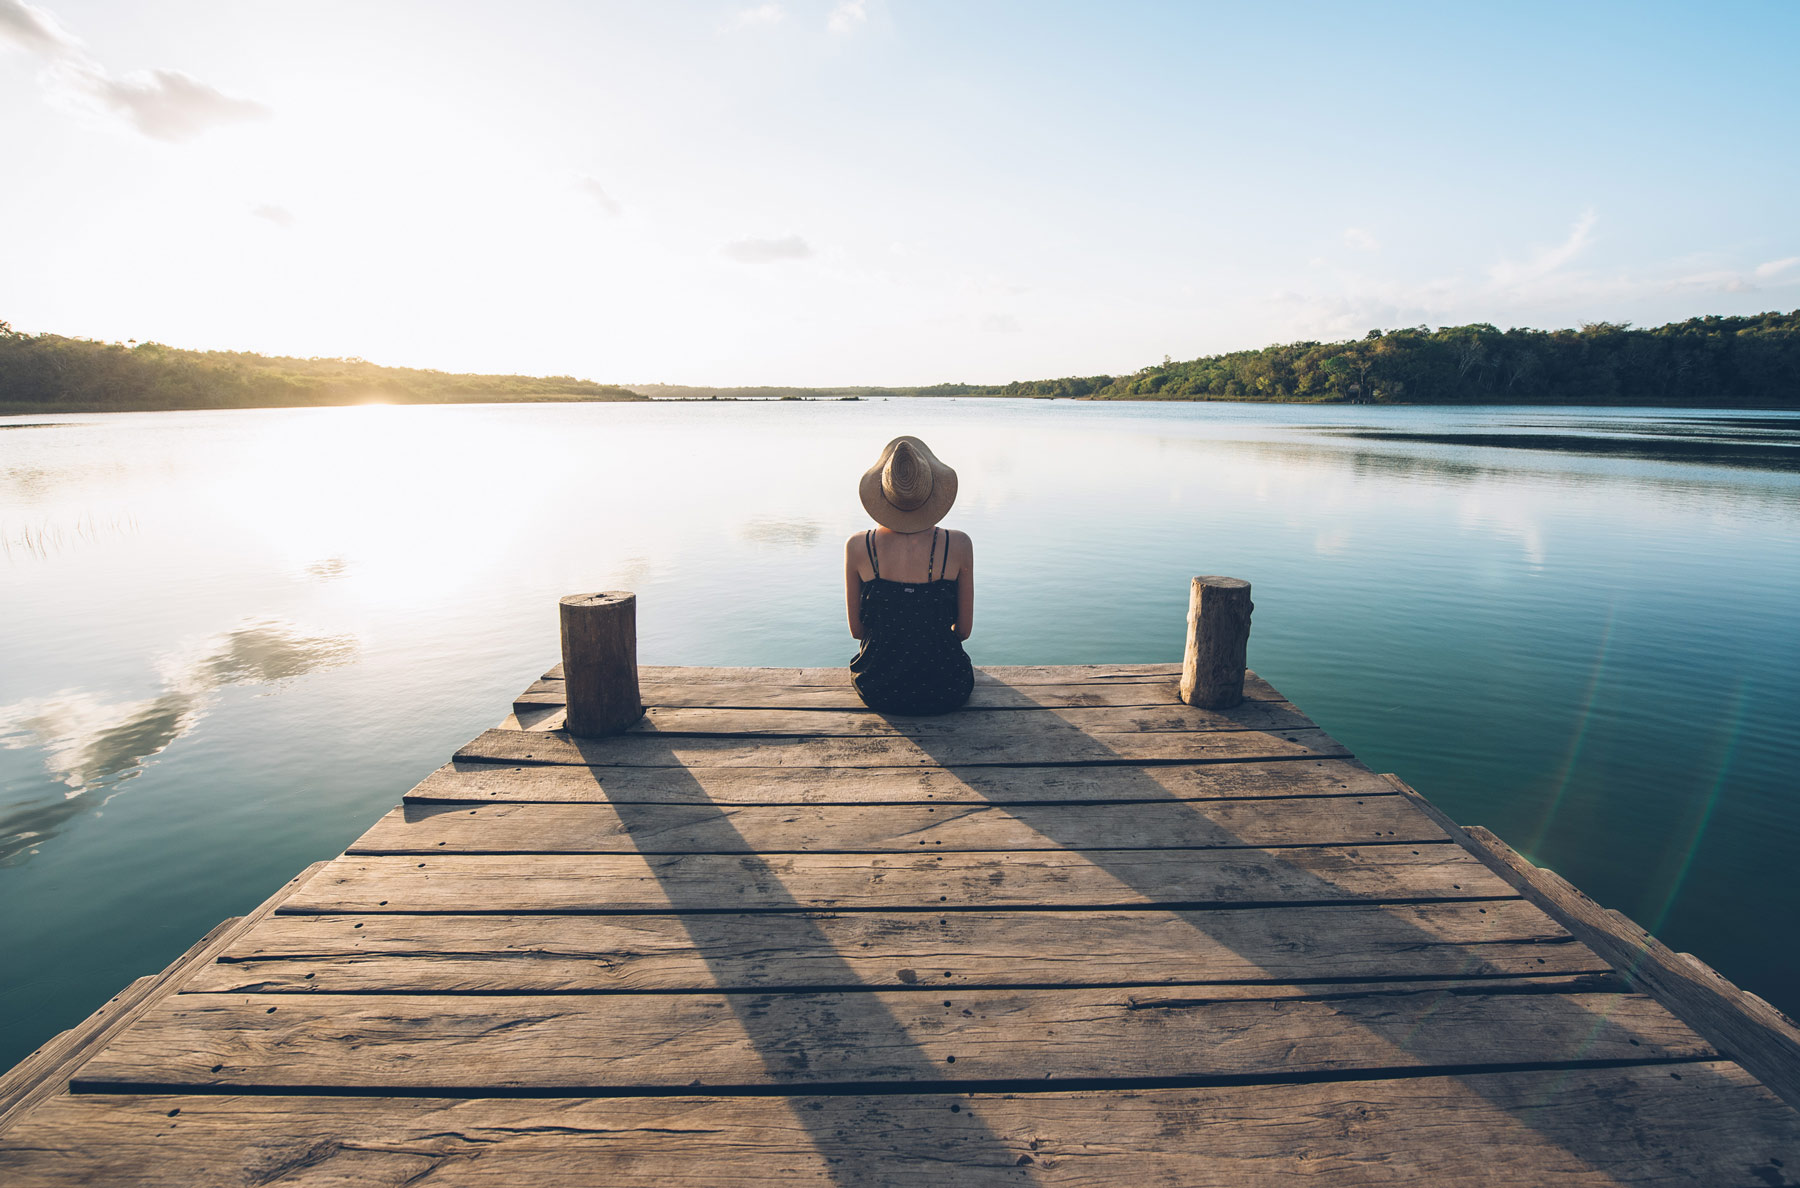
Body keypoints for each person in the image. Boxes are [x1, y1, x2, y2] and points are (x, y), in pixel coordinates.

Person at [844, 436, 974, 715]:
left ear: (882, 492)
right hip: (946, 685)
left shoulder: (858, 547)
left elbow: (857, 631)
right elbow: (963, 631)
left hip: (879, 685)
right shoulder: (959, 545)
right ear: (933, 491)